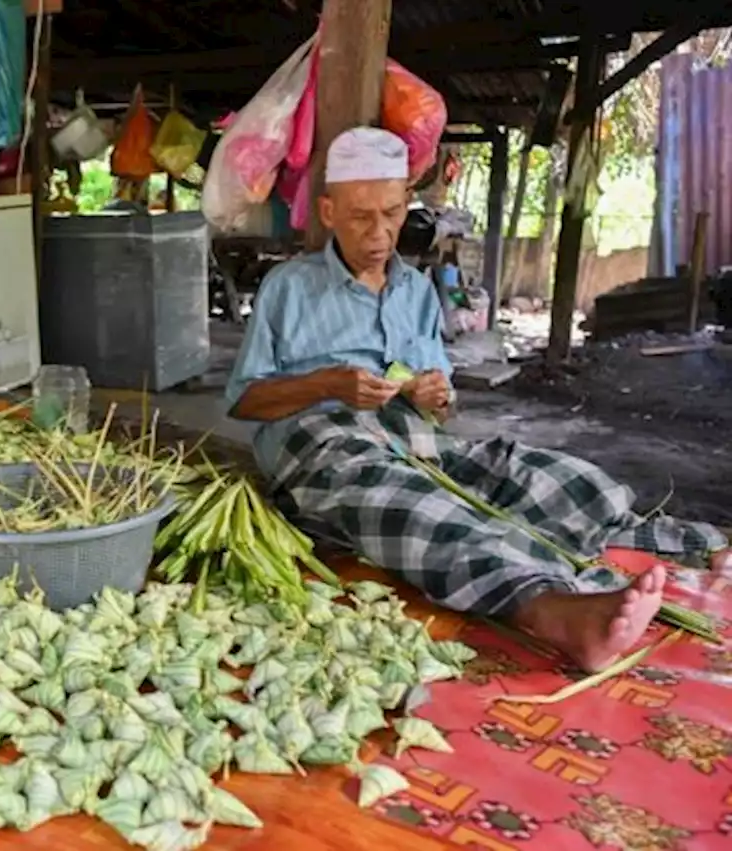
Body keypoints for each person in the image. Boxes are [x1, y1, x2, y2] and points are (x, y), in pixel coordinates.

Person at [227, 127, 730, 673]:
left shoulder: (417, 292)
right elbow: (244, 401)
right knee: (415, 505)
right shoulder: (289, 287)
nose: (380, 232)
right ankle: (556, 612)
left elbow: (444, 408)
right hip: (323, 444)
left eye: (393, 213)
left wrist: (435, 396)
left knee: (542, 475)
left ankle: (691, 543)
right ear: (327, 211)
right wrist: (326, 385)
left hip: (416, 440)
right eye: (360, 216)